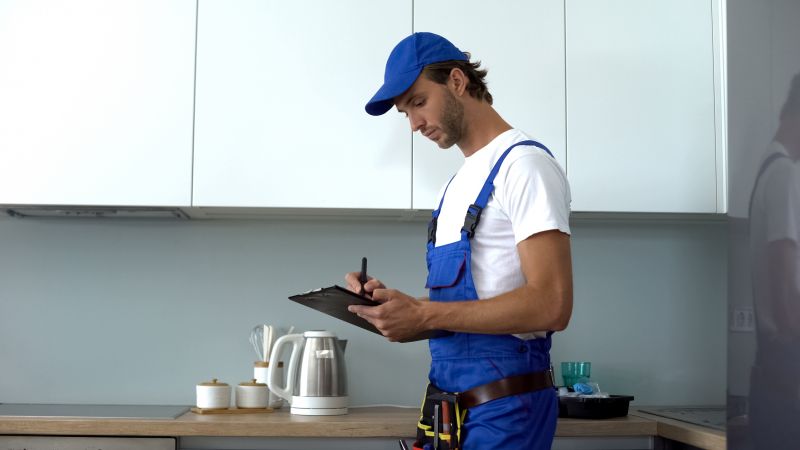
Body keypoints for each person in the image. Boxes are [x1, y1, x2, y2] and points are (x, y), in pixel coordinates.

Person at [346, 32, 573, 449]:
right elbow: (454, 319)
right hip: (448, 411)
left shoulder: (525, 167)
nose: (414, 124)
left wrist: (425, 314)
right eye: (404, 113)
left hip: (507, 411)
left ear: (456, 81)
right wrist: (398, 310)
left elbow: (553, 305)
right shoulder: (455, 188)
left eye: (418, 102)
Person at [747, 73, 800, 450]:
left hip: (771, 365)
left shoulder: (768, 170)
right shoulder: (784, 174)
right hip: (785, 365)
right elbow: (785, 291)